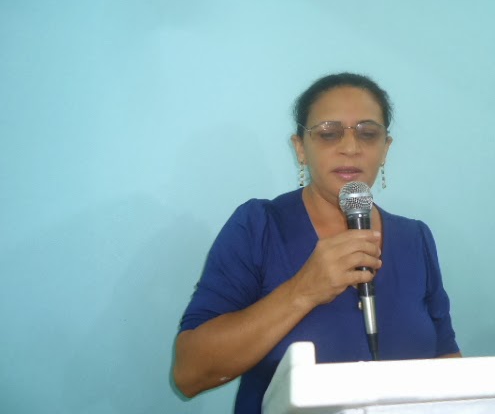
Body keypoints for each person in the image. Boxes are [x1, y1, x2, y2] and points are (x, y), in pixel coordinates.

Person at [173, 73, 460, 413]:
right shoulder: (260, 226)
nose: (350, 148)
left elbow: (448, 362)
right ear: (300, 148)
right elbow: (189, 373)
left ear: (385, 149)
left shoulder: (416, 239)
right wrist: (303, 291)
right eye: (328, 133)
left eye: (368, 134)